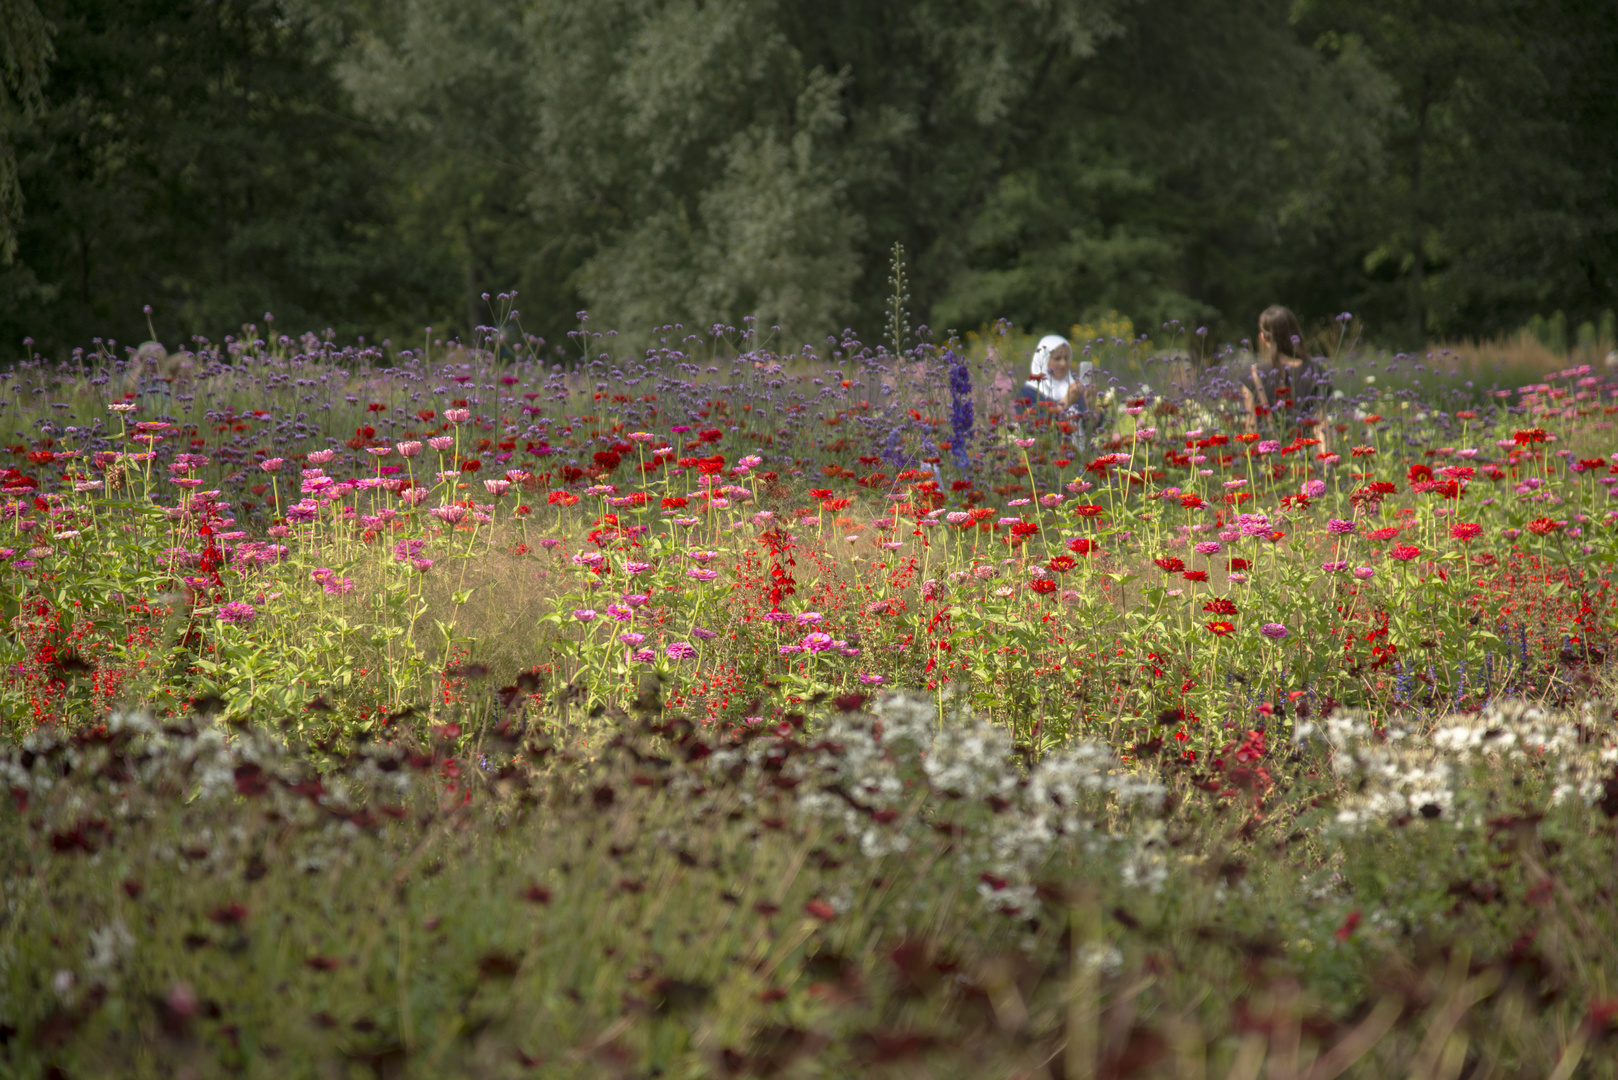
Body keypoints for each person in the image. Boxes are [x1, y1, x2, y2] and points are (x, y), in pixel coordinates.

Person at [1241, 306, 1331, 449]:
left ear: (1264, 337)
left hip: (1271, 465)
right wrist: (1325, 465)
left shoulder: (1253, 375)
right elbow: (1321, 426)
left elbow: (1251, 430)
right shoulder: (1315, 372)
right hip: (1304, 462)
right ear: (1295, 334)